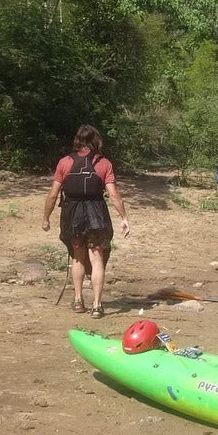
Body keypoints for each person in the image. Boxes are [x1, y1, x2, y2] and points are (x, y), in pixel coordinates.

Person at [42, 125, 130, 319]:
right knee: (97, 257)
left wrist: (46, 218)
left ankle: (78, 300)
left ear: (77, 140)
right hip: (96, 211)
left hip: (72, 214)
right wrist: (124, 218)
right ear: (96, 140)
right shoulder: (104, 163)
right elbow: (114, 194)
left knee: (78, 256)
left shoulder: (65, 162)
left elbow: (53, 195)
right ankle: (97, 306)